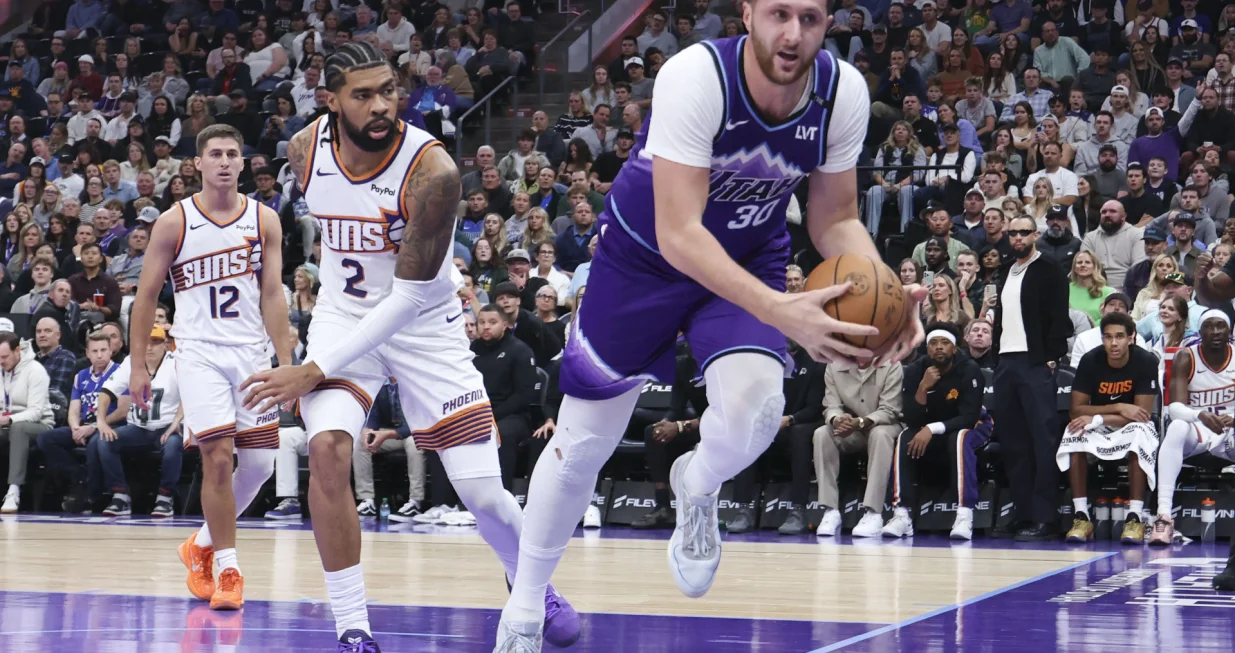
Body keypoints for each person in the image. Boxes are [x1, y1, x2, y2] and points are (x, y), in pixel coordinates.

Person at [235, 42, 580, 652]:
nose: (380, 106)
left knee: (483, 495)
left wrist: (310, 368)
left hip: (425, 324)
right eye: (362, 95)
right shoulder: (304, 150)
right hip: (344, 320)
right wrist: (317, 353)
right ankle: (353, 628)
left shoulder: (433, 171)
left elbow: (411, 296)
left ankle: (533, 588)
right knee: (330, 448)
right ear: (330, 100)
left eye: (388, 91)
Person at [126, 124, 290, 612]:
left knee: (260, 465)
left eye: (232, 154)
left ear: (244, 164)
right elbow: (146, 296)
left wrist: (287, 363)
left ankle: (198, 543)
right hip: (197, 351)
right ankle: (228, 566)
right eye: (214, 153)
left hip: (251, 352)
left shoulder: (265, 220)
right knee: (217, 456)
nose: (223, 161)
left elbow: (273, 294)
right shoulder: (175, 221)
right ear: (197, 164)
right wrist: (139, 365)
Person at [993, 215, 1070, 541]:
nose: (1018, 238)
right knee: (1014, 444)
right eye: (1013, 233)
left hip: (1036, 361)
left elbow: (1058, 317)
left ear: (1036, 235)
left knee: (1043, 442)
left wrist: (1051, 358)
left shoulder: (1050, 269)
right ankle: (1021, 514)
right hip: (1006, 362)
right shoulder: (1004, 271)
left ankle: (1046, 518)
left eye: (1024, 232)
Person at [1056, 311, 1158, 544]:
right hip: (1103, 421)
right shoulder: (1090, 360)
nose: (1113, 343)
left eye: (1120, 336)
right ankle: (1081, 516)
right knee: (1074, 431)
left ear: (1131, 338)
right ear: (1102, 339)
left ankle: (1134, 517)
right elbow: (1076, 410)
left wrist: (1101, 417)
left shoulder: (1146, 361)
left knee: (1139, 435)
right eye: (1108, 337)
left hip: (1128, 426)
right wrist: (1120, 406)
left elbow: (1140, 416)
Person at [883, 323, 990, 541]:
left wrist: (932, 428)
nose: (939, 348)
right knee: (905, 436)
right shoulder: (915, 370)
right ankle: (901, 514)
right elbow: (912, 419)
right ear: (927, 348)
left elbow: (969, 418)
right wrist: (923, 388)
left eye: (944, 343)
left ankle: (964, 514)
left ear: (954, 348)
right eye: (933, 343)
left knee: (959, 438)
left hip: (974, 426)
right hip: (931, 428)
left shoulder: (969, 369)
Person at [1155, 311, 1235, 546]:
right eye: (1209, 327)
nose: (1216, 331)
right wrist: (1198, 414)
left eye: (1221, 326)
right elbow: (1175, 407)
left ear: (1229, 331)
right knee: (1178, 426)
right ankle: (1164, 517)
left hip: (1231, 432)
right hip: (1199, 430)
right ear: (1199, 333)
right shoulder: (1186, 356)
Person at [94, 325, 183, 517]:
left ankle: (166, 497)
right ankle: (120, 495)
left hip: (166, 428)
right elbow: (107, 391)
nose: (149, 347)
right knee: (103, 440)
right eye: (145, 342)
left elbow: (189, 394)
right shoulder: (131, 362)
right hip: (137, 428)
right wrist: (100, 421)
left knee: (174, 444)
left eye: (156, 342)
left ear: (166, 345)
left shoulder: (177, 362)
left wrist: (176, 421)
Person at [814, 359, 902, 538]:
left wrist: (861, 422)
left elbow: (890, 409)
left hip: (885, 425)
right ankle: (830, 510)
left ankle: (873, 512)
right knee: (822, 433)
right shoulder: (834, 365)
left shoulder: (892, 364)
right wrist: (838, 420)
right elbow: (831, 406)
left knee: (880, 435)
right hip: (851, 428)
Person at [34, 331, 122, 513]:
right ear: (87, 354)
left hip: (110, 426)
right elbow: (74, 408)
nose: (99, 355)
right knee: (45, 439)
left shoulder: (120, 372)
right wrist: (75, 427)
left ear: (111, 351)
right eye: (95, 351)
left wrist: (94, 427)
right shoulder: (81, 376)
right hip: (84, 426)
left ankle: (90, 495)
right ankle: (78, 476)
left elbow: (123, 411)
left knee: (95, 444)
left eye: (103, 350)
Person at [0, 332, 56, 513]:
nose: (1, 361)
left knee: (19, 428)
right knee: (14, 428)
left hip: (39, 425)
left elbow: (35, 412)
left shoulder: (35, 370)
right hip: (6, 423)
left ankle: (14, 491)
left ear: (18, 351)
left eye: (4, 357)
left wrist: (8, 419)